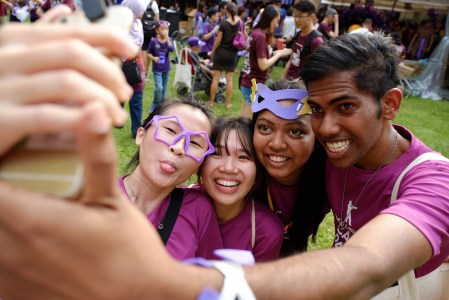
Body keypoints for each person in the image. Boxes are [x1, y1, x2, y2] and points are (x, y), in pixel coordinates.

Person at [1, 10, 449, 299]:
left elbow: (366, 264)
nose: (326, 127)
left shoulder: (433, 181)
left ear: (389, 104)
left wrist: (170, 284)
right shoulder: (328, 156)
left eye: (345, 108)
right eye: (317, 110)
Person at [119, 96, 223, 260]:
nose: (178, 147)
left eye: (195, 143)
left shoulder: (198, 210)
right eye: (171, 130)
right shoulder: (90, 196)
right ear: (140, 135)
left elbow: (208, 279)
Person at [250, 78, 328, 255]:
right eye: (265, 128)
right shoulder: (239, 169)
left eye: (294, 131)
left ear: (317, 137)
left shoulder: (332, 178)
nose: (277, 144)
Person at [198, 116, 284, 262]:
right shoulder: (177, 204)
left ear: (258, 172)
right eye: (217, 154)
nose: (228, 168)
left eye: (243, 157)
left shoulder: (266, 232)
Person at [239, 4, 292, 119]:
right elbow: (263, 65)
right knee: (247, 124)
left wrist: (275, 54)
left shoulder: (256, 32)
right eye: (276, 21)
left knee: (242, 119)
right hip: (253, 83)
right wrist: (280, 54)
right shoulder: (260, 37)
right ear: (270, 19)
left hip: (248, 81)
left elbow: (256, 57)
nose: (277, 25)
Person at [120, 0, 147, 138]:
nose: (142, 14)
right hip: (120, 63)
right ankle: (118, 116)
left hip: (136, 63)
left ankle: (136, 128)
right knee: (120, 91)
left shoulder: (138, 24)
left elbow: (140, 46)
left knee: (137, 96)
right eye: (140, 11)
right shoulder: (119, 24)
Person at [209, 2, 240, 109]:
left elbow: (218, 40)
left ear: (227, 11)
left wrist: (212, 52)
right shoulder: (239, 22)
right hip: (232, 54)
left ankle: (212, 102)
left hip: (221, 53)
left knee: (216, 78)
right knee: (230, 80)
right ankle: (227, 104)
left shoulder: (223, 23)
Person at [283, 0, 323, 81]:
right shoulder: (298, 34)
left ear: (311, 17)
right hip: (288, 81)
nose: (296, 19)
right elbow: (292, 58)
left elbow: (316, 68)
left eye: (300, 16)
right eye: (295, 15)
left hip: (300, 86)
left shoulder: (316, 40)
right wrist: (283, 77)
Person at [147, 20, 174, 112]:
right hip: (157, 69)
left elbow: (172, 49)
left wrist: (167, 38)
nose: (165, 31)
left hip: (166, 69)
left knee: (164, 89)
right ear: (157, 31)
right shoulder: (153, 41)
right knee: (159, 87)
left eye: (166, 29)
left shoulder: (169, 40)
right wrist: (153, 58)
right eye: (162, 29)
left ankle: (162, 105)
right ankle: (155, 103)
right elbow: (148, 53)